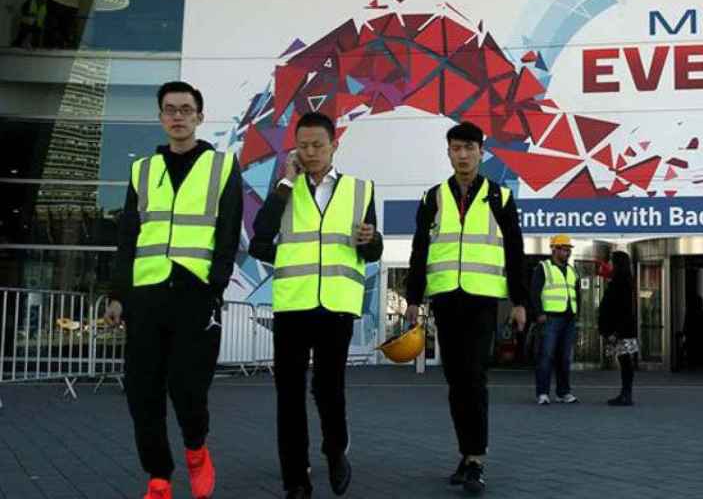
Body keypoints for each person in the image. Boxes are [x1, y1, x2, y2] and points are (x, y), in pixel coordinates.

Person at [104, 81, 243, 499]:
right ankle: (159, 477)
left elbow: (229, 230)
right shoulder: (141, 170)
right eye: (170, 109)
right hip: (145, 295)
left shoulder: (222, 166)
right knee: (141, 391)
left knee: (188, 388)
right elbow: (128, 236)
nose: (178, 116)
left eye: (186, 109)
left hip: (194, 293)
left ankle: (197, 451)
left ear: (200, 117)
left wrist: (213, 287)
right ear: (161, 117)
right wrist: (117, 293)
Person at [249, 111, 382, 499]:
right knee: (288, 394)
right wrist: (286, 182)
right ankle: (296, 479)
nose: (310, 153)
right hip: (293, 304)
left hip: (337, 305)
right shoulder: (285, 190)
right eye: (303, 146)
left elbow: (372, 249)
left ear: (334, 145)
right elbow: (259, 238)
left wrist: (370, 240)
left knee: (328, 388)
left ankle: (335, 451)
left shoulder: (361, 189)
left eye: (317, 145)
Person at [404, 121, 527, 495]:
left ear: (481, 152)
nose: (462, 155)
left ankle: (476, 459)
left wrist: (520, 301)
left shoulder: (499, 197)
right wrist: (412, 298)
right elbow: (419, 250)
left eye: (469, 148)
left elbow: (515, 252)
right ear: (448, 152)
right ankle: (467, 452)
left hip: (481, 298)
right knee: (456, 380)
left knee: (474, 376)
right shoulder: (432, 198)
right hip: (446, 297)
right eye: (456, 148)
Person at [531, 234, 581, 405]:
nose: (567, 252)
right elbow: (535, 292)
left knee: (564, 358)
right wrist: (539, 313)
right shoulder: (543, 268)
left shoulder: (572, 271)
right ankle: (543, 393)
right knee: (546, 356)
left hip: (568, 319)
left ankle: (563, 392)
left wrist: (576, 315)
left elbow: (577, 294)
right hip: (550, 318)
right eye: (564, 249)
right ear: (554, 249)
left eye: (568, 250)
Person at [598, 251, 639, 406]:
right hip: (619, 330)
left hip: (621, 331)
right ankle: (624, 393)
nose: (608, 264)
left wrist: (616, 332)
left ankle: (626, 394)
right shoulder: (618, 280)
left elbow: (624, 310)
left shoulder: (622, 282)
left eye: (610, 261)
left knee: (625, 361)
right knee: (623, 361)